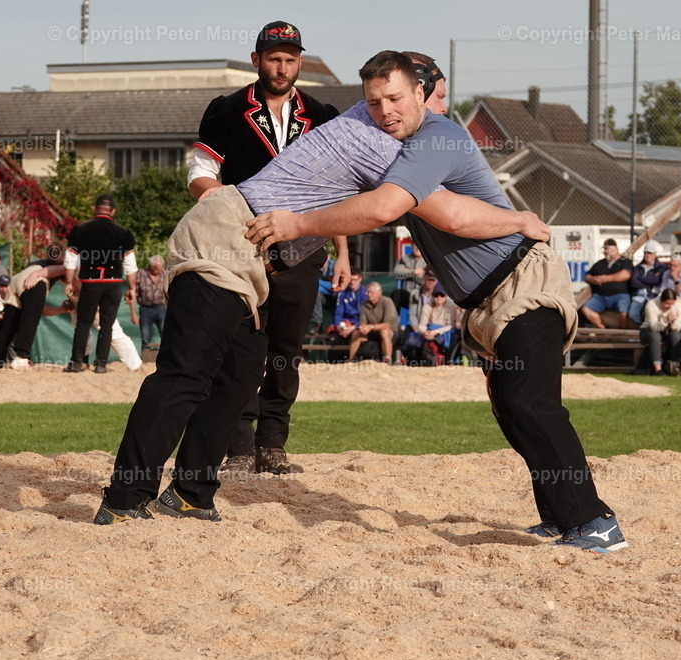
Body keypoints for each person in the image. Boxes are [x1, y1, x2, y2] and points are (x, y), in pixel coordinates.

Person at [94, 50, 555, 529]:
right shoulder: (380, 140)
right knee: (185, 374)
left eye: (410, 99)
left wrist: (339, 250)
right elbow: (445, 214)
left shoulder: (388, 129)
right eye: (380, 100)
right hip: (224, 238)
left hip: (258, 257)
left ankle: (190, 494)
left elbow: (341, 197)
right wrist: (519, 219)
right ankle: (126, 496)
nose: (395, 110)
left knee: (236, 379)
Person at [245, 51, 626, 552]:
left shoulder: (438, 136)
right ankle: (560, 516)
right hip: (489, 298)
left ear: (421, 95)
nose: (385, 111)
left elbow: (406, 211)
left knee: (527, 402)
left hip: (523, 283)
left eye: (397, 98)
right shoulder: (398, 146)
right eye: (375, 102)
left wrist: (295, 224)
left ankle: (594, 521)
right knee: (513, 408)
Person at [188, 20, 349, 475]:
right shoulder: (225, 109)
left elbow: (336, 191)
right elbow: (200, 174)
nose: (282, 67)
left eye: (291, 59)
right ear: (257, 59)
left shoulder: (323, 114)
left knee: (287, 349)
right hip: (243, 248)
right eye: (274, 58)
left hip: (304, 247)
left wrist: (343, 252)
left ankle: (273, 443)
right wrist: (229, 213)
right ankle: (238, 444)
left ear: (300, 62)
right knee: (242, 347)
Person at [63, 195, 136, 374]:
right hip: (113, 284)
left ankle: (76, 363)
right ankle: (101, 364)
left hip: (90, 282)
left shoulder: (80, 230)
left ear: (95, 209)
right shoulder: (124, 233)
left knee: (83, 323)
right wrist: (132, 288)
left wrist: (68, 282)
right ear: (113, 211)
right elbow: (130, 264)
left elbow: (70, 259)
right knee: (107, 325)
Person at [0, 243, 67, 370]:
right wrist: (36, 275)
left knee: (8, 326)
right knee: (30, 319)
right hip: (34, 278)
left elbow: (40, 310)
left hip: (16, 280)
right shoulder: (64, 264)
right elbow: (58, 270)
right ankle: (21, 357)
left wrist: (62, 309)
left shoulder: (39, 261)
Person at [580, 238, 632, 329]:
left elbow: (625, 275)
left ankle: (623, 332)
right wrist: (593, 279)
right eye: (604, 249)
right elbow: (586, 276)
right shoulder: (600, 263)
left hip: (620, 295)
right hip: (600, 296)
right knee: (586, 309)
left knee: (623, 312)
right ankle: (604, 329)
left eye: (607, 248)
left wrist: (605, 278)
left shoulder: (624, 261)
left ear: (614, 249)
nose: (605, 251)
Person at [349, 282, 398, 363]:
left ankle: (387, 359)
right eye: (367, 292)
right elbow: (362, 321)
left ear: (379, 292)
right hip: (372, 332)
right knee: (356, 333)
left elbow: (387, 325)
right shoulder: (364, 304)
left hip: (391, 332)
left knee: (384, 332)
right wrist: (362, 327)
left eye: (371, 292)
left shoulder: (387, 302)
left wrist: (371, 327)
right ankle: (351, 359)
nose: (368, 294)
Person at [639, 289, 681, 375]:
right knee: (655, 336)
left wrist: (673, 321)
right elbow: (654, 327)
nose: (669, 306)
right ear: (661, 301)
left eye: (671, 304)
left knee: (676, 336)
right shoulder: (651, 304)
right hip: (648, 330)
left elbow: (678, 328)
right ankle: (657, 369)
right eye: (667, 304)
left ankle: (674, 366)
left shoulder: (678, 305)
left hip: (667, 331)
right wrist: (665, 319)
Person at [627, 240, 667, 325]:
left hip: (653, 295)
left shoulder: (661, 267)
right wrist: (648, 282)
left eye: (650, 253)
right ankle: (643, 326)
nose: (647, 255)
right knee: (632, 314)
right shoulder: (638, 267)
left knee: (654, 313)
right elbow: (633, 282)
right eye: (645, 253)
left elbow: (657, 280)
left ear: (655, 254)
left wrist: (641, 278)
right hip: (639, 296)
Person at [134, 255, 166, 351]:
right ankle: (145, 358)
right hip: (145, 309)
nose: (160, 271)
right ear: (151, 267)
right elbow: (134, 292)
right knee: (145, 335)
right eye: (158, 269)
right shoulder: (141, 273)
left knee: (165, 333)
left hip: (162, 307)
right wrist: (133, 313)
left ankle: (167, 357)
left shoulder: (165, 273)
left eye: (161, 268)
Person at [332, 267, 366, 342]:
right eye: (351, 279)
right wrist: (338, 326)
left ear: (360, 279)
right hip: (344, 324)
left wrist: (354, 327)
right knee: (334, 339)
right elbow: (338, 312)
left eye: (355, 280)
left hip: (358, 325)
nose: (352, 282)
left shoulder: (365, 293)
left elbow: (365, 315)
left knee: (357, 335)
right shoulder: (342, 293)